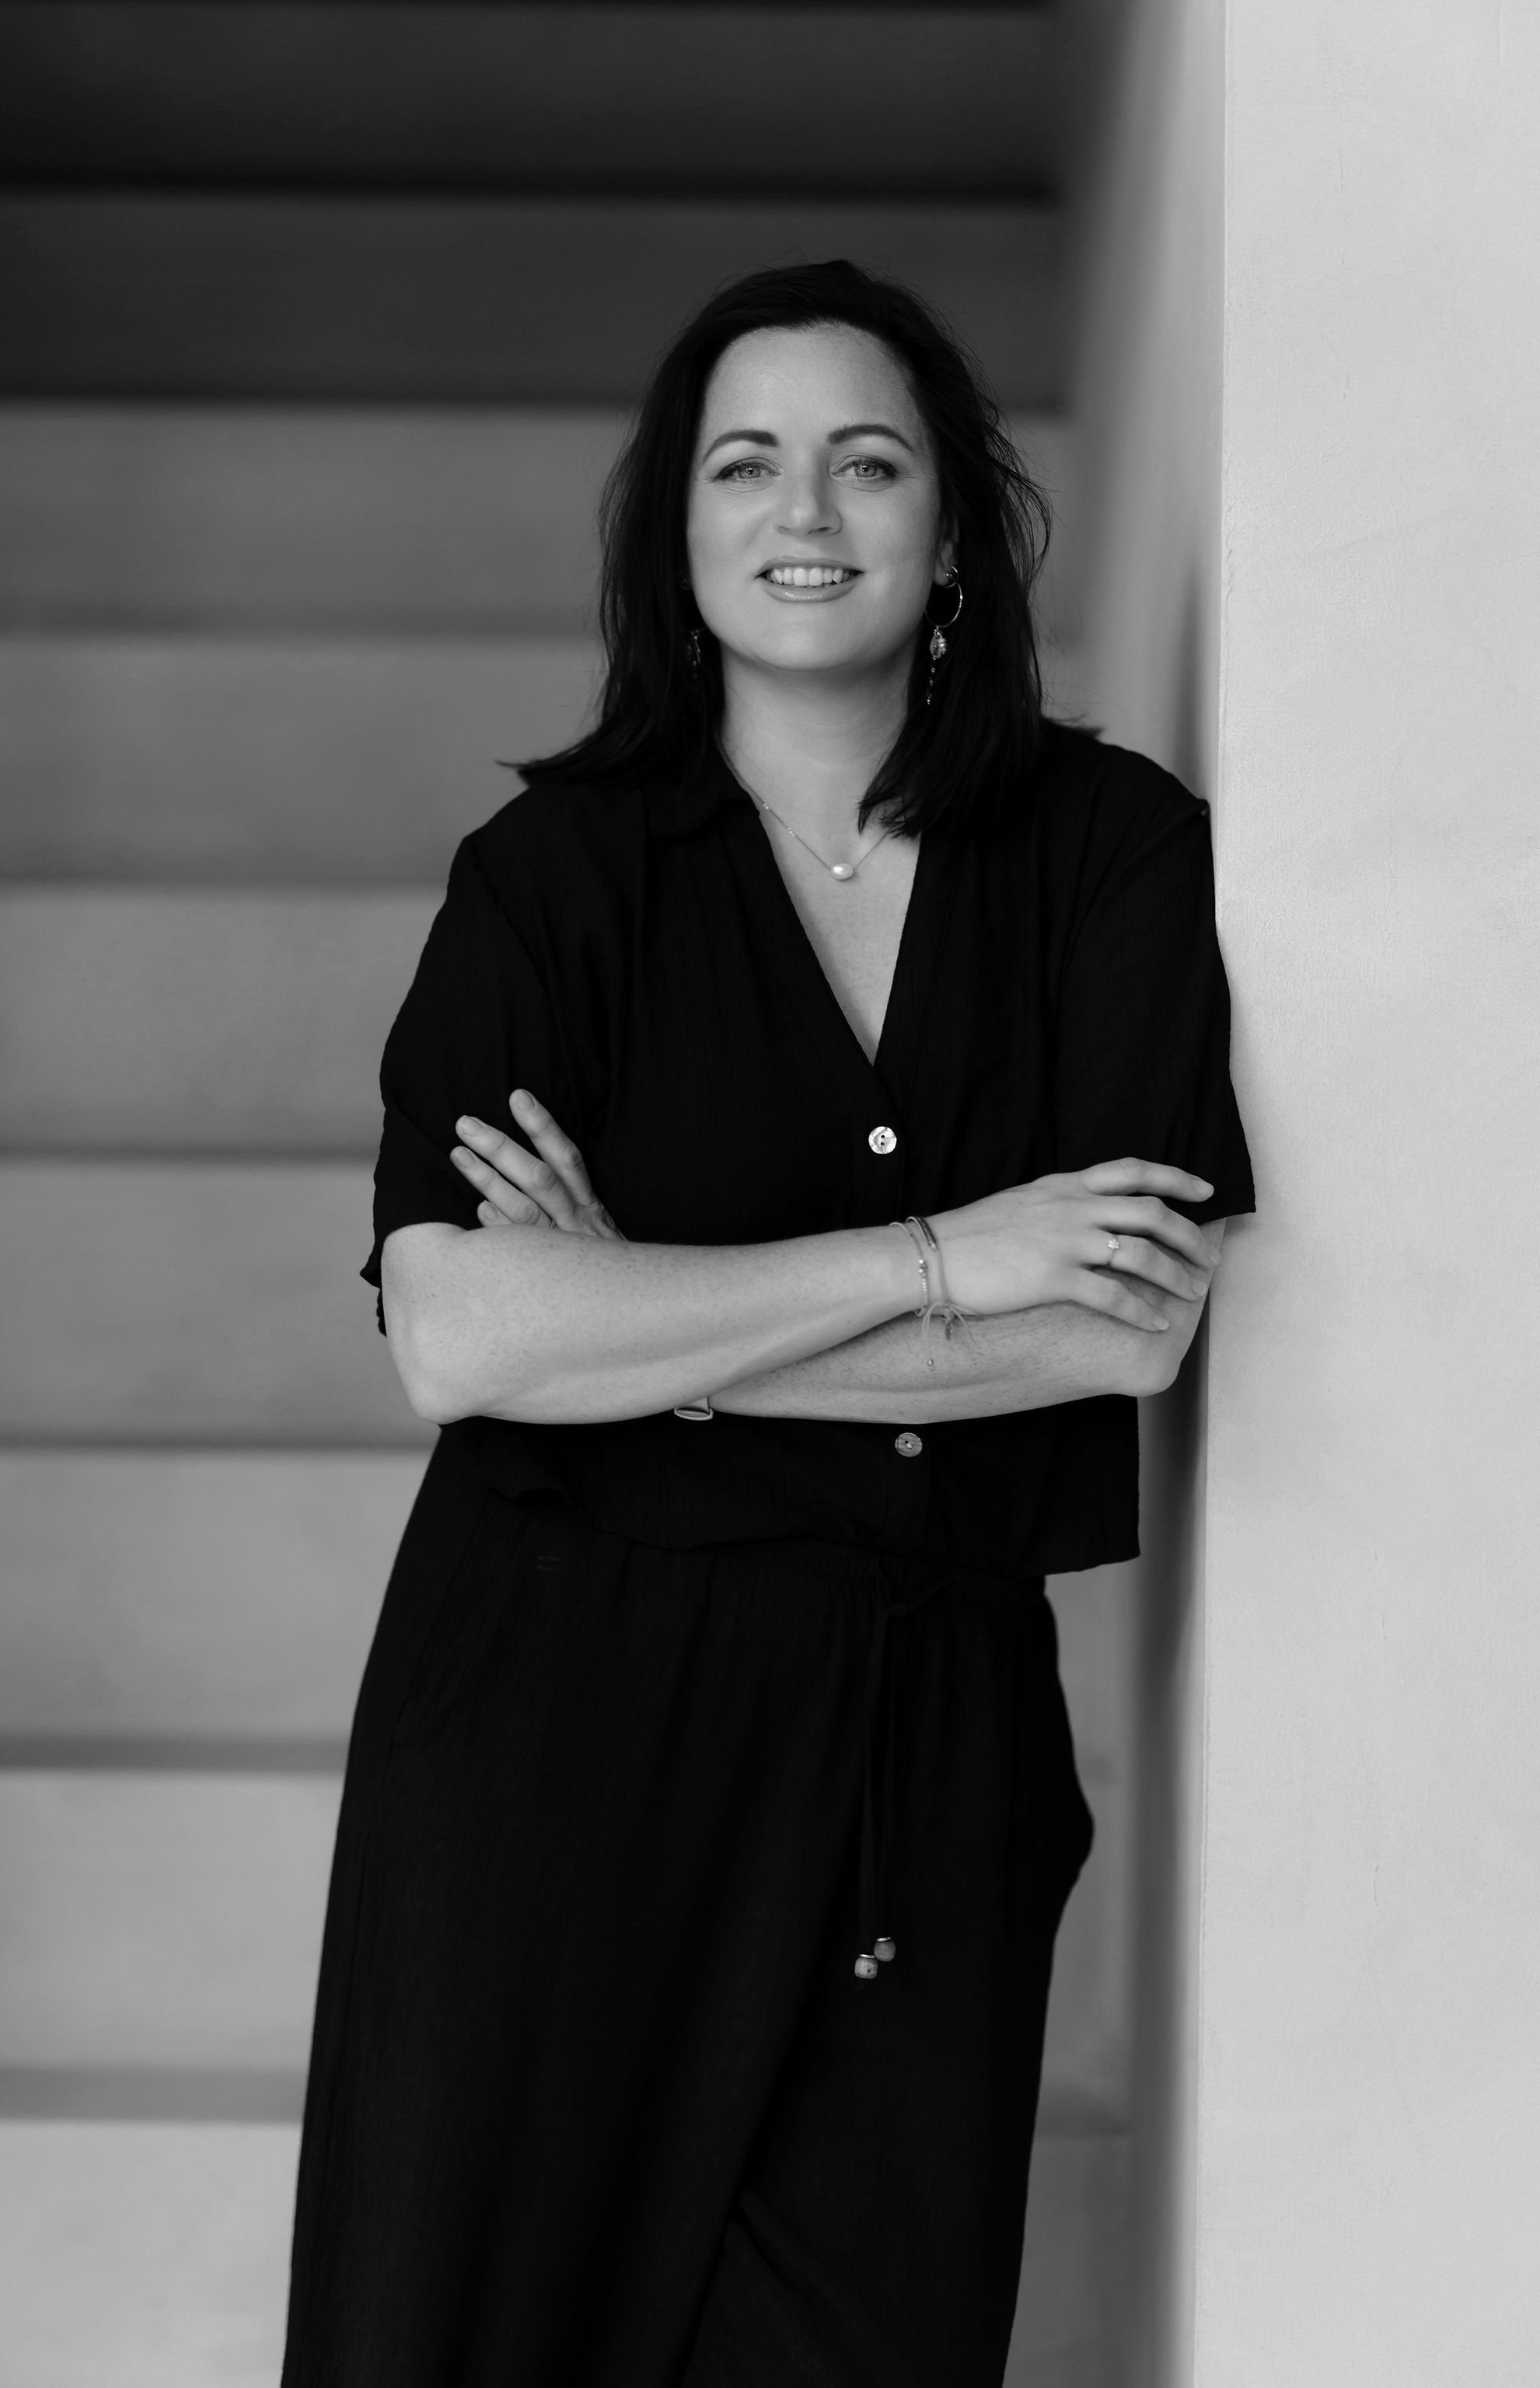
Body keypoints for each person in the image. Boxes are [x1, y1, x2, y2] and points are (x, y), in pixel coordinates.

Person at [281, 258, 1255, 2388]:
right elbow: (459, 1341)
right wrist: (939, 1255)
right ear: (679, 530)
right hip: (549, 1741)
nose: (803, 508)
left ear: (955, 531)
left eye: (867, 460)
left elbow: (1119, 1330)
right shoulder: (552, 878)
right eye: (745, 463)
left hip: (929, 1754)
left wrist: (641, 1318)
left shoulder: (1109, 854)